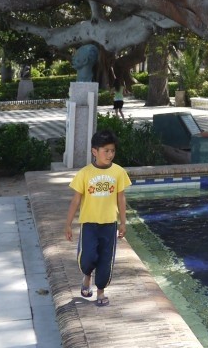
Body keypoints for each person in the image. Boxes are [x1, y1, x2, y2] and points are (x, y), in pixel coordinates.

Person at [64, 130, 132, 307]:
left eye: (112, 151)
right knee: (87, 257)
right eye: (106, 151)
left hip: (109, 225)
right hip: (89, 225)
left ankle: (100, 291)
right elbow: (76, 200)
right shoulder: (85, 173)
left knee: (105, 259)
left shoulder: (119, 172)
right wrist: (68, 224)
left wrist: (123, 222)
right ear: (95, 151)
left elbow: (121, 198)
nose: (110, 155)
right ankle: (87, 276)